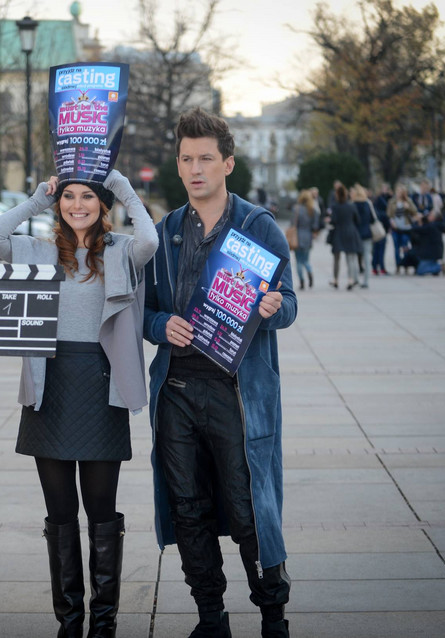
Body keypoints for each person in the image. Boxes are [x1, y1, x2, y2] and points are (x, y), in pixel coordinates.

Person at [0, 168, 157, 638]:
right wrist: (40, 197)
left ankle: (104, 622)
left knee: (101, 509)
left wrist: (121, 187)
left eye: (88, 198)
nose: (77, 205)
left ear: (102, 206)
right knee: (59, 511)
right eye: (70, 197)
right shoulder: (37, 250)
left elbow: (151, 240)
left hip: (102, 387)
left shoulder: (121, 251)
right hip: (50, 389)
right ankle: (69, 620)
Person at [143, 108, 295, 638]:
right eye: (186, 159)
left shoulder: (256, 227)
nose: (195, 168)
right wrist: (162, 324)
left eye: (206, 158)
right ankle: (212, 617)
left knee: (249, 504)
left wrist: (276, 305)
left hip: (236, 391)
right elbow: (141, 312)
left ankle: (273, 615)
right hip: (177, 390)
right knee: (188, 508)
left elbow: (292, 302)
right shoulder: (163, 232)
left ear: (227, 163)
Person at [327, 183, 362, 290]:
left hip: (338, 232)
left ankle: (336, 279)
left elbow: (333, 221)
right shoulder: (352, 206)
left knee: (336, 258)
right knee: (350, 257)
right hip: (350, 232)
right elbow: (358, 220)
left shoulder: (335, 207)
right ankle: (351, 279)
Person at [290, 189, 319, 289]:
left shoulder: (296, 209)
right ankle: (310, 273)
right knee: (306, 260)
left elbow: (293, 223)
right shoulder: (312, 210)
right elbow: (315, 225)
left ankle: (302, 281)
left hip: (297, 237)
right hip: (308, 237)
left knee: (298, 261)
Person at [386, 186, 418, 274]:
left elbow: (415, 211)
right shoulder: (392, 202)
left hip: (406, 228)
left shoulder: (408, 201)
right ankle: (398, 265)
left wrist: (408, 207)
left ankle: (406, 265)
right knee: (396, 248)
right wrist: (392, 222)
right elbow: (389, 214)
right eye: (398, 191)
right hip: (395, 228)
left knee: (405, 247)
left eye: (401, 192)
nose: (399, 193)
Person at [351, 184, 375, 289]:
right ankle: (366, 281)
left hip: (356, 235)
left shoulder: (352, 205)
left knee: (355, 258)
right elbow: (373, 219)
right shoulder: (367, 203)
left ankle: (356, 278)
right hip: (367, 234)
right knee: (366, 258)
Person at [371, 184, 392, 275]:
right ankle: (380, 267)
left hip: (380, 227)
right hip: (380, 227)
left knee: (377, 249)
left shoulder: (383, 199)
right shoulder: (380, 200)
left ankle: (376, 267)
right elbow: (385, 214)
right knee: (379, 248)